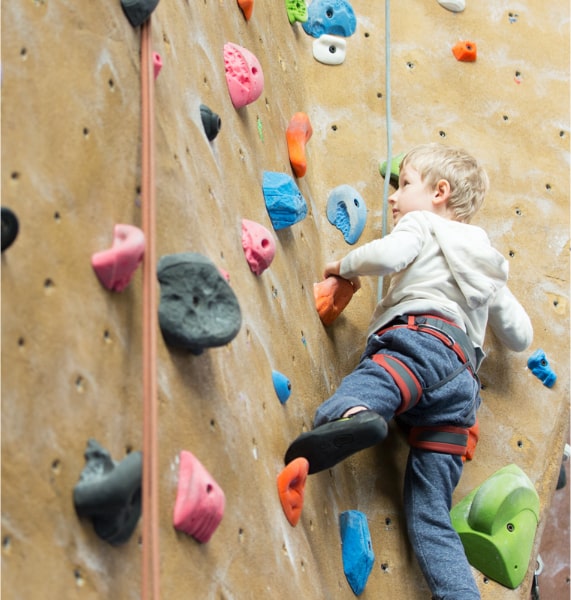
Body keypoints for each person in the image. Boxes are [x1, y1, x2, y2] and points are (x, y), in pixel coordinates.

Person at [283, 143, 533, 599]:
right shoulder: (487, 262)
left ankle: (349, 415)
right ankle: (459, 593)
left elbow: (389, 257)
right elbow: (519, 335)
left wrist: (342, 265)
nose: (393, 198)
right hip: (461, 387)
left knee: (379, 380)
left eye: (405, 184)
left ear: (440, 192)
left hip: (421, 342)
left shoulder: (423, 224)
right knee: (430, 512)